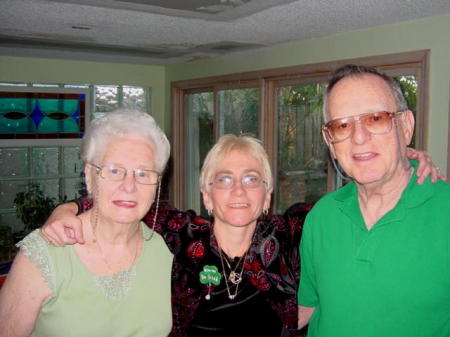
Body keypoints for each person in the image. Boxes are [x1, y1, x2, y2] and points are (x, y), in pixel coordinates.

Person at [39, 135, 438, 337]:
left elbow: (363, 194)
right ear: (206, 193)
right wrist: (67, 210)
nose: (238, 190)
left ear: (267, 194)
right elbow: (122, 198)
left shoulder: (295, 232)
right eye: (224, 180)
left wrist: (405, 162)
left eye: (251, 179)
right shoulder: (181, 233)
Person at [297, 64, 450, 337]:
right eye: (342, 125)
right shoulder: (321, 216)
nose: (359, 137)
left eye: (375, 119)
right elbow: (306, 307)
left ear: (405, 126)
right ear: (330, 140)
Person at [0, 109, 173, 337]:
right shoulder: (45, 254)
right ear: (89, 176)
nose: (129, 186)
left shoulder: (164, 250)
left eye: (143, 174)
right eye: (114, 170)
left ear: (157, 183)